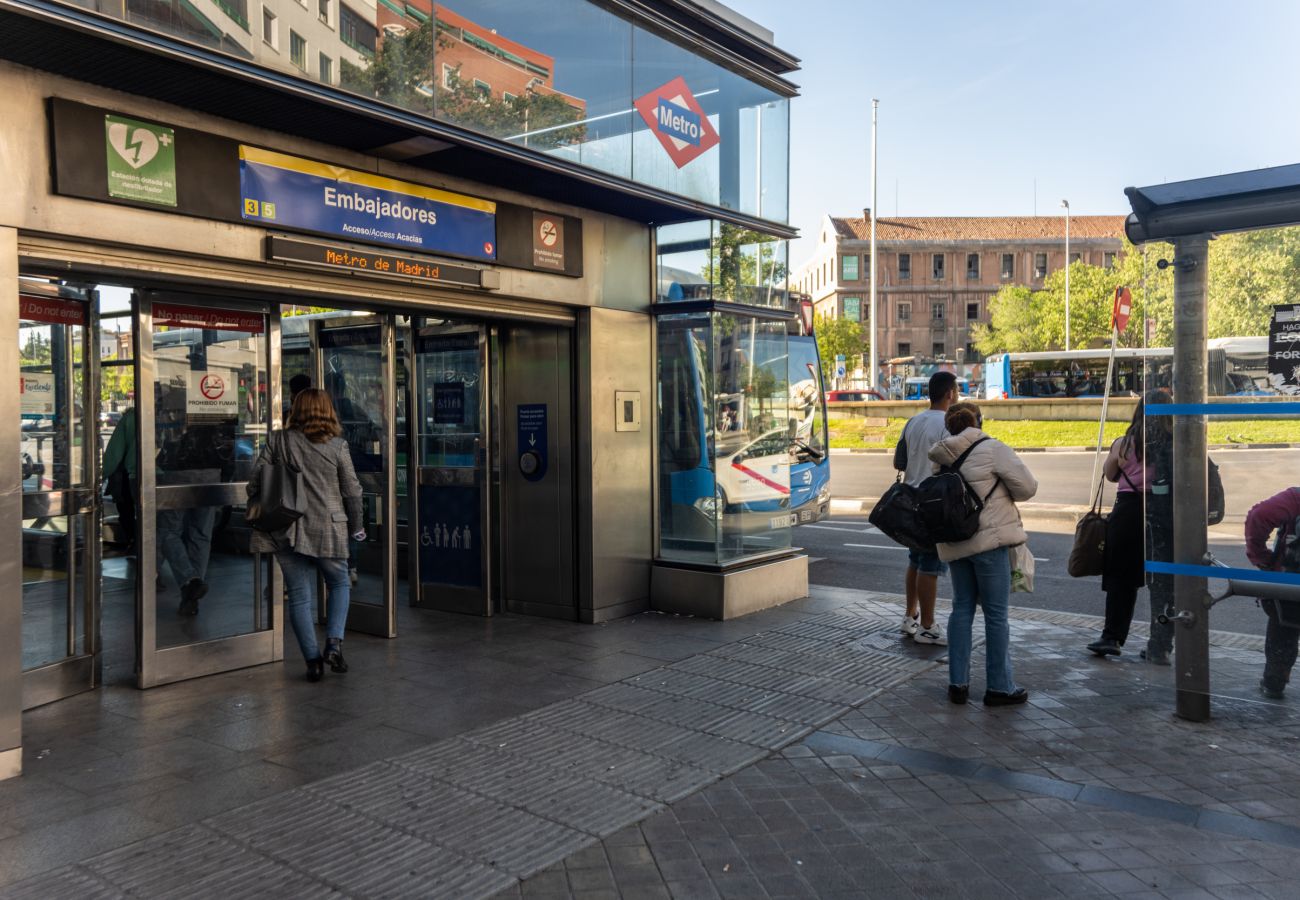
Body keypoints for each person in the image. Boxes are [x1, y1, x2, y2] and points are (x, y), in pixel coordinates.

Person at [248, 388, 365, 682]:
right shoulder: (338, 447)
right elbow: (352, 491)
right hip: (329, 527)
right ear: (328, 410)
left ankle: (312, 661)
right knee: (339, 583)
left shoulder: (278, 440)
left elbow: (255, 481)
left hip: (287, 528)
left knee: (300, 596)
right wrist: (357, 525)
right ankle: (334, 644)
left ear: (296, 409)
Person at [929, 402, 1038, 706]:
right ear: (978, 422)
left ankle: (957, 684)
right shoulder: (993, 448)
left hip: (955, 542)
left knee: (961, 608)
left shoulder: (939, 456)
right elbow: (1028, 488)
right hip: (989, 542)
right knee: (996, 615)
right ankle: (999, 687)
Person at [1086, 394, 1176, 660]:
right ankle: (1160, 646)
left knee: (1120, 579)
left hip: (1127, 512)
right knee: (1162, 583)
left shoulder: (1124, 445)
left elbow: (1110, 474)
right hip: (1162, 513)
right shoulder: (1174, 444)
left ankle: (1112, 637)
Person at [891, 371, 958, 645]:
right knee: (930, 564)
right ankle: (928, 625)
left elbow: (900, 461)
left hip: (912, 500)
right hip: (935, 502)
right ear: (950, 394)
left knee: (915, 561)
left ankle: (910, 616)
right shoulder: (947, 424)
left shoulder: (913, 421)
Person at [1244, 487, 1300, 699]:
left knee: (1283, 631)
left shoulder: (1296, 498)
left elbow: (1258, 516)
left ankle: (1275, 681)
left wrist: (1261, 557)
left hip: (1291, 586)